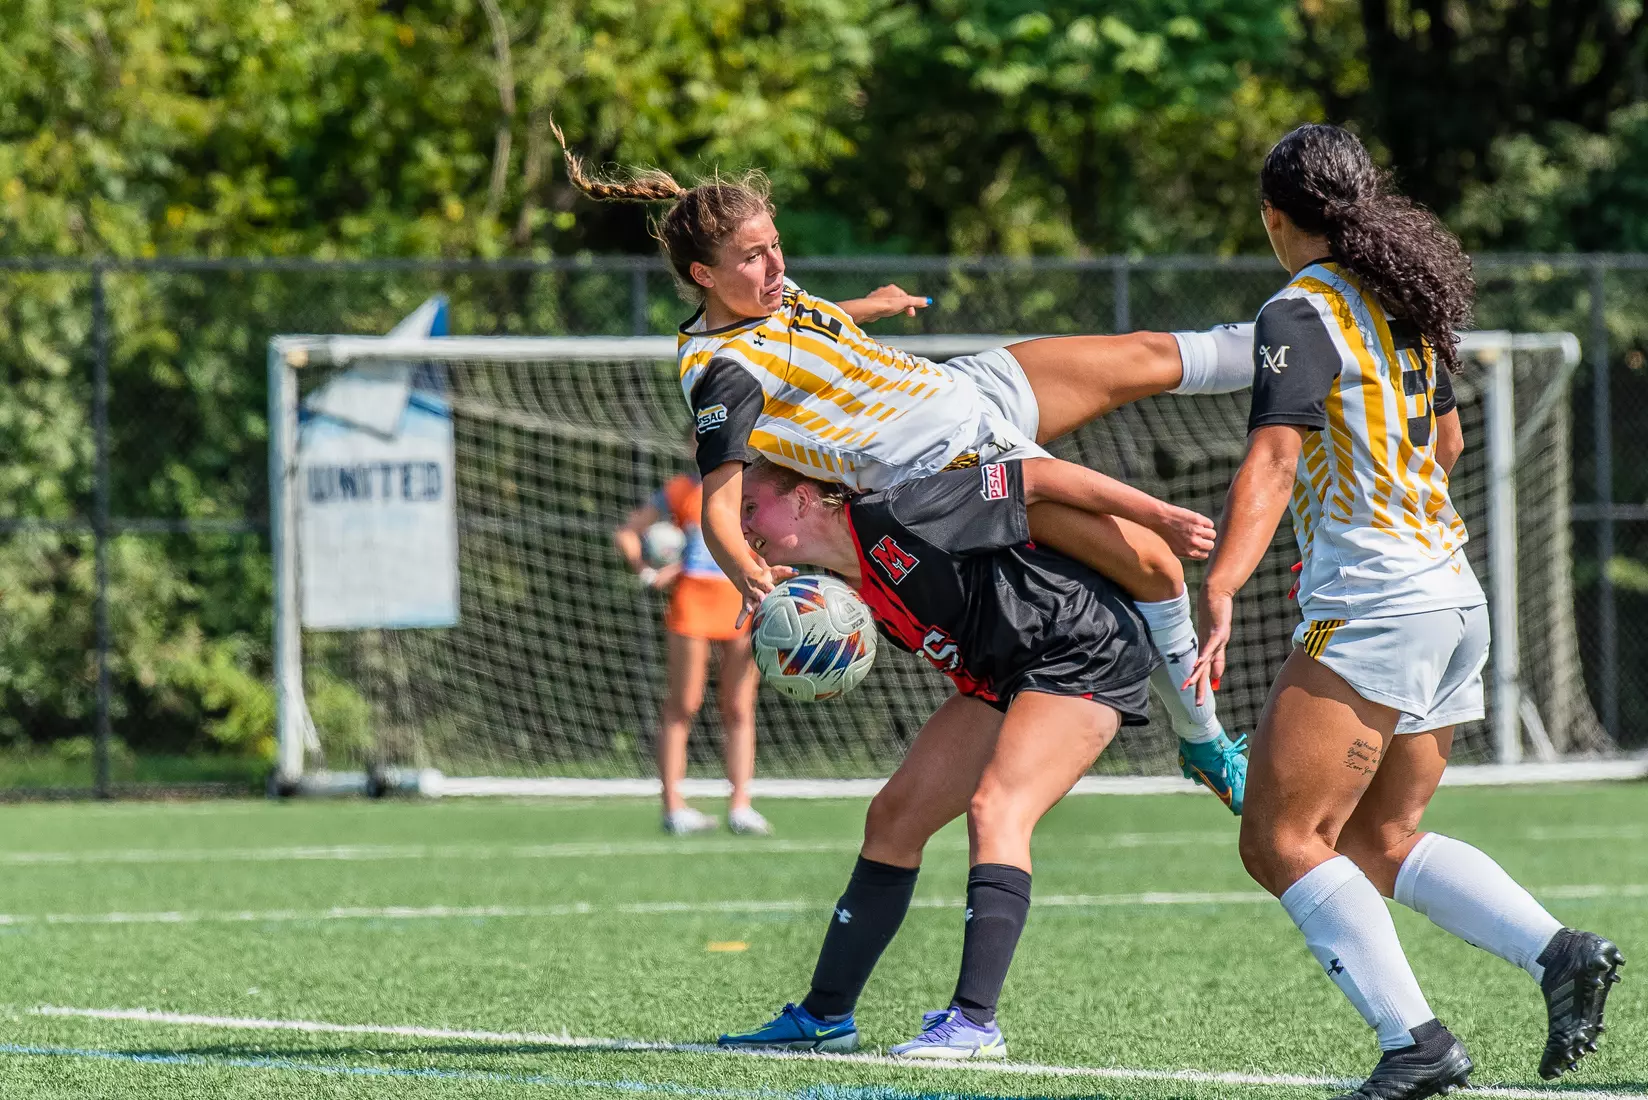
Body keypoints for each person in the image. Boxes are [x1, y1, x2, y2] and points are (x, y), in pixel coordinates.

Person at [552, 123, 1252, 808]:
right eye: (754, 257)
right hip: (958, 464)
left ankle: (1314, 333)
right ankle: (1204, 740)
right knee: (1154, 564)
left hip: (969, 389)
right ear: (703, 274)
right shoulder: (723, 377)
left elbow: (809, 329)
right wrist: (752, 581)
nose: (777, 268)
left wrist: (870, 308)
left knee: (1149, 354)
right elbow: (716, 506)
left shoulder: (764, 297)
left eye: (776, 246)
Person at [1186, 123, 1624, 1100]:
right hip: (1452, 594)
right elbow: (1448, 441)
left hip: (1377, 602)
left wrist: (1218, 585)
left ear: (1273, 218)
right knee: (1378, 836)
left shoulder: (1297, 311)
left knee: (1278, 838)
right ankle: (1559, 952)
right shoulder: (1408, 300)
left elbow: (1273, 458)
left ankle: (1415, 1041)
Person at [717, 455, 1196, 1058]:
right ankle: (825, 1017)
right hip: (1001, 674)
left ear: (806, 498)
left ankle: (974, 1024)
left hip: (1078, 648)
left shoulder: (902, 511)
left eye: (750, 508)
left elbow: (1033, 479)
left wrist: (1157, 514)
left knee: (998, 809)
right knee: (894, 819)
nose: (741, 528)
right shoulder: (842, 587)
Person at [615, 465, 768, 836]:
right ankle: (673, 808)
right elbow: (627, 532)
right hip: (692, 605)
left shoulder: (749, 488)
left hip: (741, 601)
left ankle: (741, 806)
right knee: (682, 705)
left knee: (739, 706)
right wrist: (649, 572)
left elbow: (762, 543)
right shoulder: (680, 490)